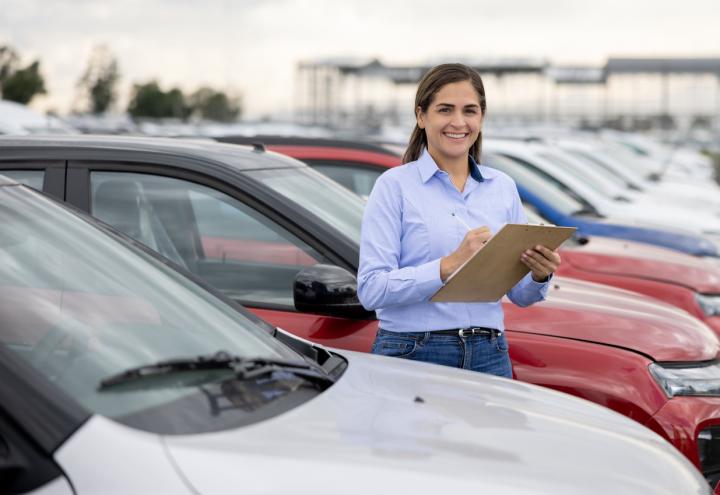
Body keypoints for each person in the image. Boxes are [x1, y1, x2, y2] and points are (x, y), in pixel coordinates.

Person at [357, 63, 561, 378]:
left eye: (469, 111)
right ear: (421, 116)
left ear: (481, 117)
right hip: (414, 351)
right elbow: (372, 290)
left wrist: (538, 275)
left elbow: (521, 296)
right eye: (445, 110)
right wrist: (449, 264)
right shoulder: (394, 185)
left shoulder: (502, 187)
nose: (458, 122)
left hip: (490, 352)